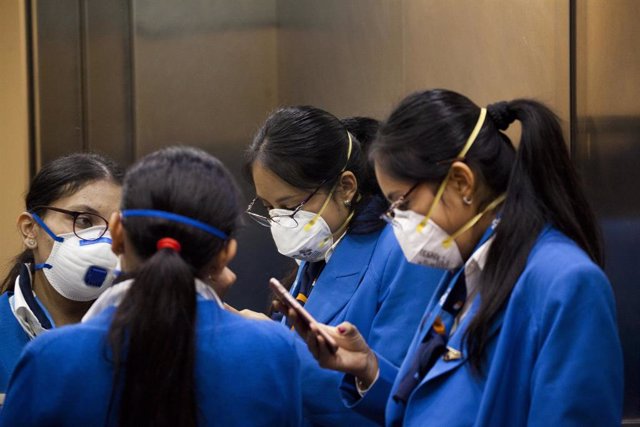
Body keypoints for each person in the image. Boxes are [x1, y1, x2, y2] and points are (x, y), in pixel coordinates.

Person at [285, 90, 624, 426]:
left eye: (402, 203)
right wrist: (367, 367)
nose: (396, 221)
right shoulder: (467, 271)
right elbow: (429, 402)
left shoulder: (564, 281)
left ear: (462, 182)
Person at [0, 147, 302, 426]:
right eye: (83, 220)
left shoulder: (52, 357)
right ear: (226, 254)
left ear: (118, 235)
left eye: (107, 223)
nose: (97, 237)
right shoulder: (273, 349)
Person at [243, 107, 443, 426]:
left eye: (290, 206)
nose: (281, 221)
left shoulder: (402, 252)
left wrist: (276, 345)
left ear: (346, 187)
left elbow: (398, 392)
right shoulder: (321, 247)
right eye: (269, 209)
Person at [0, 153, 123, 398]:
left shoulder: (142, 335)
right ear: (29, 230)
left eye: (118, 228)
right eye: (84, 221)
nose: (103, 242)